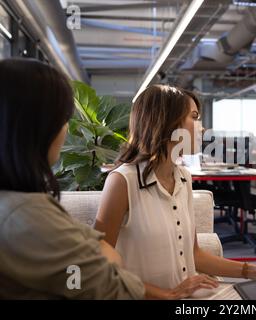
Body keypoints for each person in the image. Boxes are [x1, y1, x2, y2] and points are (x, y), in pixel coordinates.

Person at [94, 84, 256, 300]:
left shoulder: (183, 177)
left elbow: (194, 255)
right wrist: (167, 294)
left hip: (190, 296)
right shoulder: (123, 181)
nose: (201, 128)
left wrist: (253, 271)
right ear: (166, 122)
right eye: (194, 117)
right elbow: (100, 263)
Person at [0, 58, 150, 299]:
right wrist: (106, 255)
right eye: (62, 119)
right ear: (38, 126)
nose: (67, 130)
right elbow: (122, 291)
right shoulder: (25, 214)